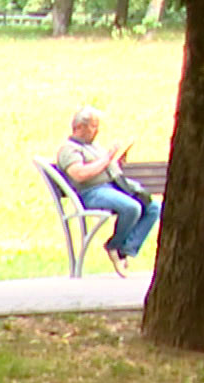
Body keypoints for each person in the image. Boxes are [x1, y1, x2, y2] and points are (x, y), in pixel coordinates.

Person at [57, 105, 161, 277]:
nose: (96, 131)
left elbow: (102, 166)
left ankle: (123, 251)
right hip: (92, 192)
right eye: (93, 126)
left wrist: (115, 163)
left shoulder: (93, 146)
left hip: (112, 186)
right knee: (132, 207)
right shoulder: (69, 150)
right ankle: (114, 246)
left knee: (152, 207)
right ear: (79, 127)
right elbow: (80, 174)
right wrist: (107, 158)